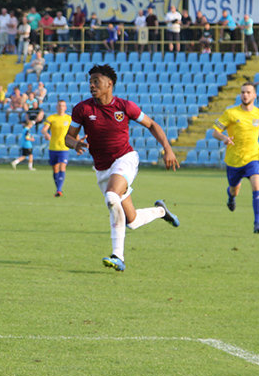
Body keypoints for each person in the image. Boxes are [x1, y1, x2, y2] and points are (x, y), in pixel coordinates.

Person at [64, 64, 180, 272]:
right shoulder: (83, 109)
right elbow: (68, 137)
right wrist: (75, 144)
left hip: (125, 158)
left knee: (111, 196)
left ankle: (118, 256)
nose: (91, 85)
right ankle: (161, 211)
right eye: (90, 81)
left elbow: (152, 124)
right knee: (132, 221)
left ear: (109, 84)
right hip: (102, 169)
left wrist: (168, 149)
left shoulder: (125, 106)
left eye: (96, 81)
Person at [211, 82, 259, 234]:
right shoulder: (231, 113)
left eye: (248, 92)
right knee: (235, 190)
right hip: (234, 160)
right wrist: (224, 138)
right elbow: (215, 131)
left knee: (256, 186)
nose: (245, 95)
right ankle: (231, 197)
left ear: (254, 95)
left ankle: (257, 223)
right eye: (243, 92)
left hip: (253, 157)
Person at [42, 99, 72, 197]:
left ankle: (59, 190)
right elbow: (44, 129)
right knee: (55, 168)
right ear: (56, 107)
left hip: (64, 147)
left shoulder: (69, 118)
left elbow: (73, 132)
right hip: (53, 147)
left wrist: (77, 143)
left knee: (62, 166)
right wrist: (46, 134)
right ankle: (58, 188)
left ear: (65, 107)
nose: (61, 107)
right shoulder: (51, 118)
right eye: (59, 105)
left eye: (63, 105)